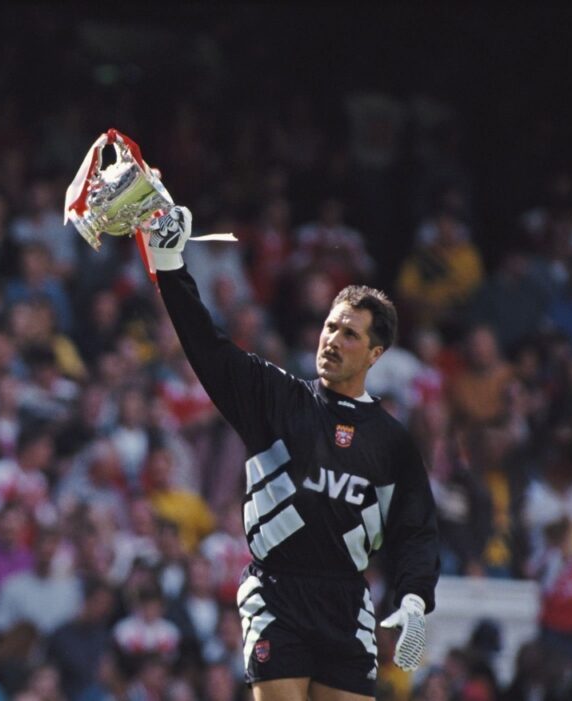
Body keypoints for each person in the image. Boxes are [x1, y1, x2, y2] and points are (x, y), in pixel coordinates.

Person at [140, 206, 439, 700]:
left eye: (350, 334)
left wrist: (413, 598)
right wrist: (170, 267)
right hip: (275, 592)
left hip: (347, 602)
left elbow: (417, 529)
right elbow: (208, 347)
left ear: (375, 354)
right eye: (330, 327)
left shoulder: (391, 441)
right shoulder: (277, 399)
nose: (332, 341)